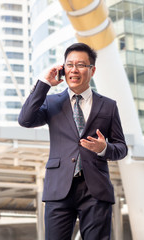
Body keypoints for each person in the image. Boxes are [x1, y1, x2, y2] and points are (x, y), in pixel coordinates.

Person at [18, 43, 127, 240]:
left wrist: (104, 148)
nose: (74, 70)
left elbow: (122, 148)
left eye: (80, 65)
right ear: (63, 69)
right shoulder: (51, 102)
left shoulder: (108, 106)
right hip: (58, 187)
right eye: (69, 65)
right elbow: (25, 120)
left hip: (95, 188)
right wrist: (44, 83)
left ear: (92, 70)